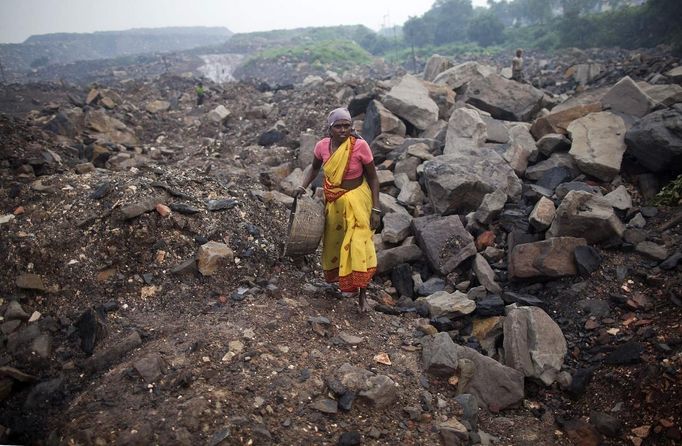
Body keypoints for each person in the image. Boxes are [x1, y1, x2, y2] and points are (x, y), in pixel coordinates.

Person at [294, 107, 381, 312]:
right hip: (333, 201)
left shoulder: (360, 146)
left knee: (359, 245)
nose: (343, 130)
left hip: (358, 202)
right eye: (338, 126)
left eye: (347, 126)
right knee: (338, 243)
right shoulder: (322, 146)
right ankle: (345, 284)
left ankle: (362, 297)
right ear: (330, 128)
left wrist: (376, 209)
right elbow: (315, 168)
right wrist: (302, 186)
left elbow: (373, 178)